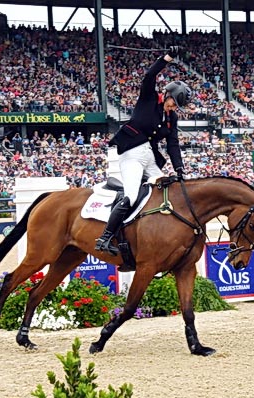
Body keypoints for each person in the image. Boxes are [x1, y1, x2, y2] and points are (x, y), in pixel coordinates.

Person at [95, 45, 192, 255]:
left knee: (166, 192)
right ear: (167, 95)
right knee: (130, 195)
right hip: (131, 153)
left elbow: (173, 144)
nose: (173, 109)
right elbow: (149, 75)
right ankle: (106, 237)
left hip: (149, 157)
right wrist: (167, 58)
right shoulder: (149, 98)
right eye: (173, 104)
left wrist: (179, 169)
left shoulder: (171, 118)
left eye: (176, 108)